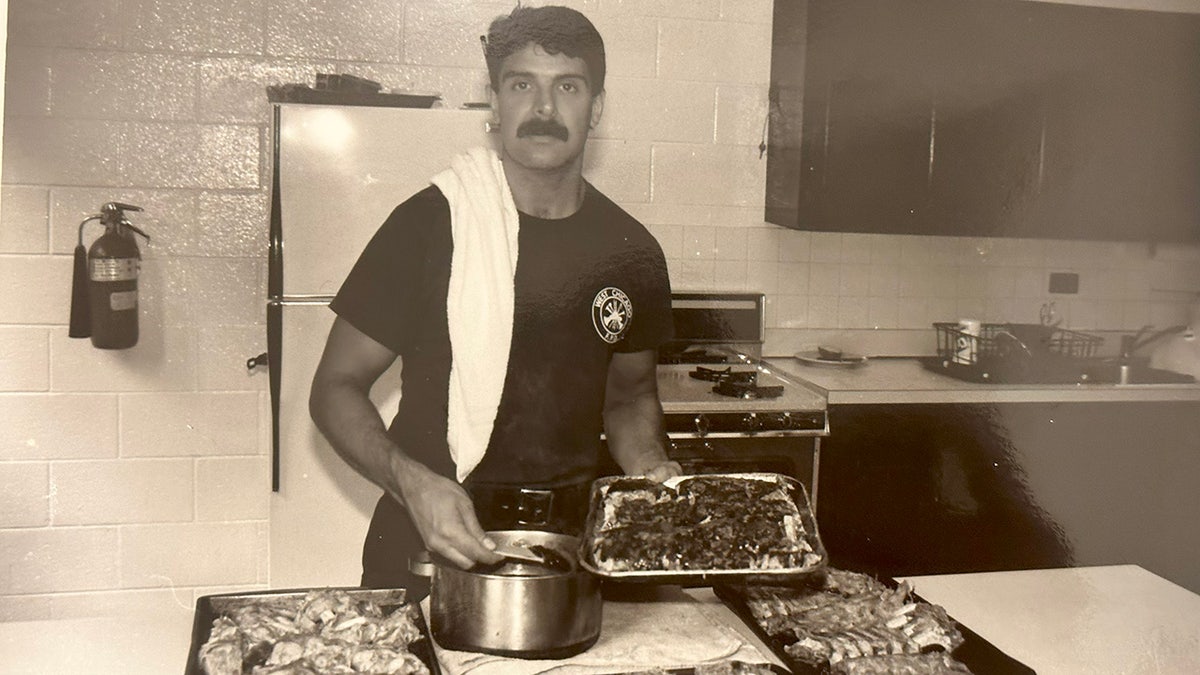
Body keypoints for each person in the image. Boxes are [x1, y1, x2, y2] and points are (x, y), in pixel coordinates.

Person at [309, 5, 680, 595]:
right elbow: (334, 387)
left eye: (568, 86)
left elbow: (630, 397)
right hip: (429, 542)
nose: (544, 110)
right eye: (521, 84)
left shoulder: (632, 252)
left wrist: (651, 470)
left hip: (572, 552)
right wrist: (411, 482)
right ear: (495, 102)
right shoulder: (428, 225)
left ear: (597, 108)